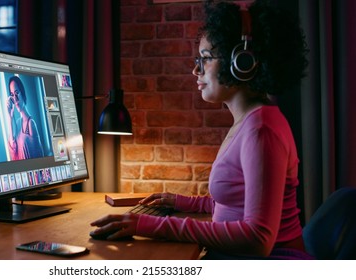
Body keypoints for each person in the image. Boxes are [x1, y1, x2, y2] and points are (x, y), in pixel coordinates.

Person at [90, 0, 312, 259]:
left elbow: (258, 238)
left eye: (205, 59)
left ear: (242, 62)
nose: (196, 69)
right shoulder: (251, 121)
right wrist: (183, 202)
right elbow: (236, 204)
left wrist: (148, 225)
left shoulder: (260, 131)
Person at [6, 76, 44, 160]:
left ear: (22, 93)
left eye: (17, 93)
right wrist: (10, 117)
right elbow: (12, 152)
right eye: (12, 95)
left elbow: (39, 156)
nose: (15, 99)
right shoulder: (18, 123)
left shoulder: (31, 123)